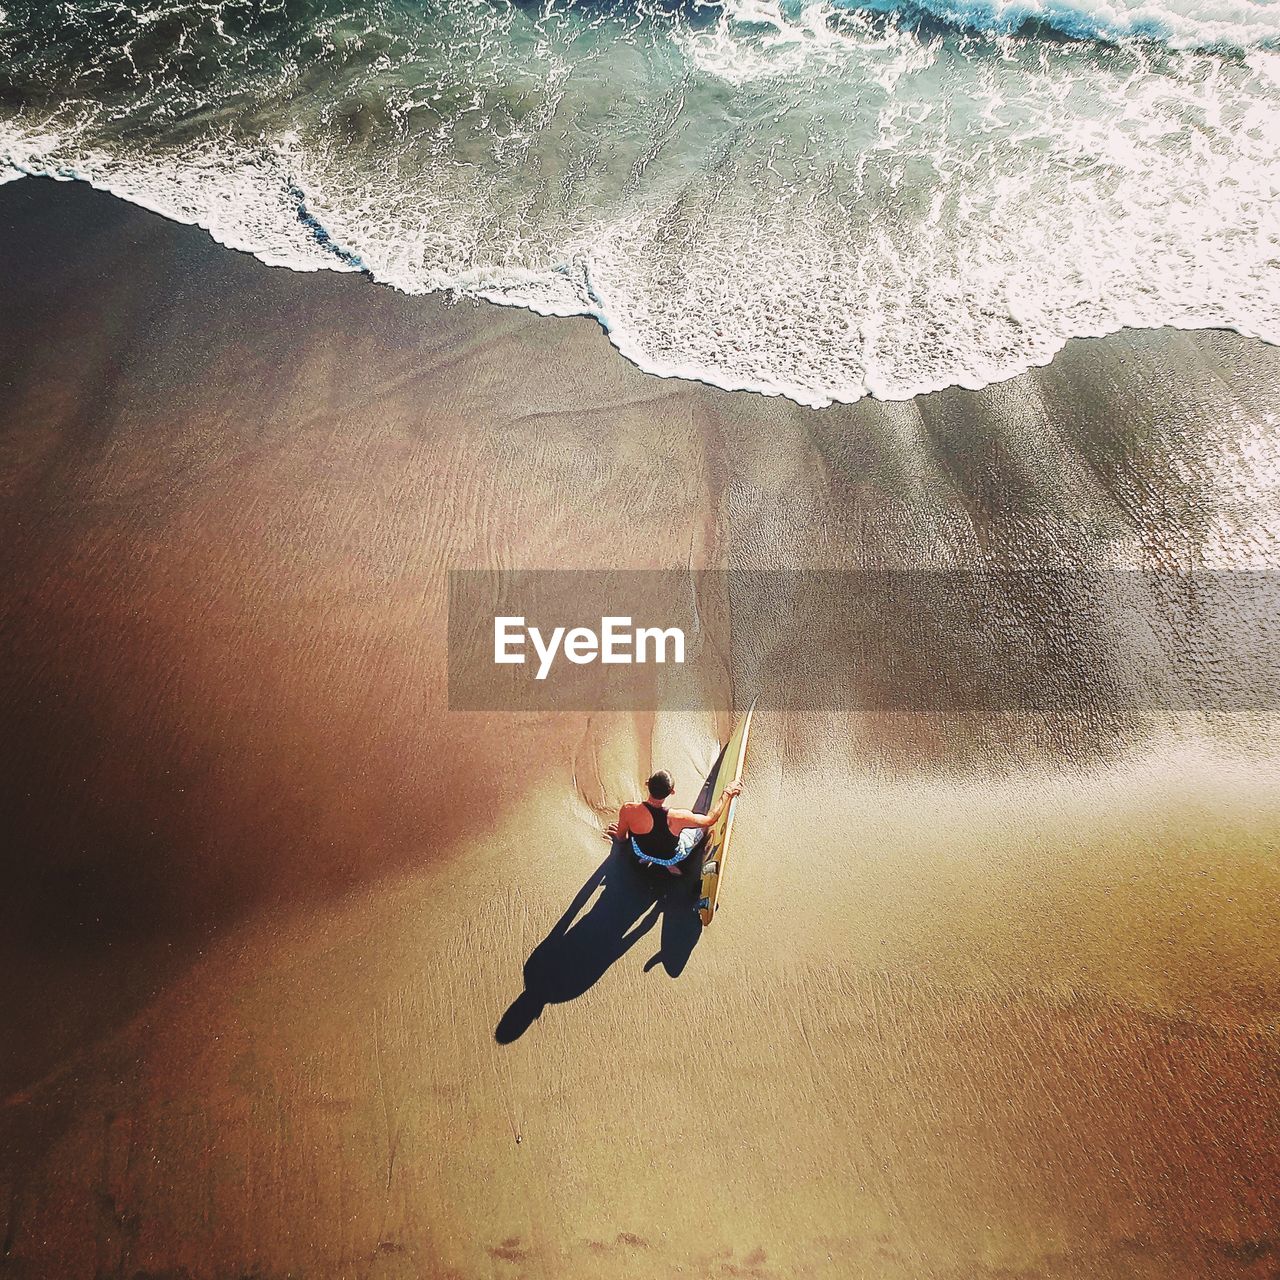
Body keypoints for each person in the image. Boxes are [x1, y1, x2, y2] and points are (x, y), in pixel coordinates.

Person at [606, 770, 744, 876]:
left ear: (647, 784)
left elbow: (621, 837)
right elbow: (709, 820)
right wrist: (727, 792)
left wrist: (620, 838)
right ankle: (671, 866)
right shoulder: (677, 817)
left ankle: (649, 860)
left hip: (641, 852)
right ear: (672, 792)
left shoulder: (628, 809)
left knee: (648, 845)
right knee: (702, 829)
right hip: (670, 858)